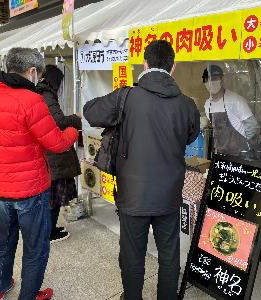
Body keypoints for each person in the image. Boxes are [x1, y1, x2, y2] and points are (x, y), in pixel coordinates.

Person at [84, 40, 200, 300]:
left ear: (144, 64)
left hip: (132, 194)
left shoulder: (126, 96)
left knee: (132, 254)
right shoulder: (187, 104)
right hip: (169, 194)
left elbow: (90, 112)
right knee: (169, 256)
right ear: (173, 67)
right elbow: (191, 135)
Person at [0, 48, 79, 300]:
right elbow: (56, 143)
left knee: (2, 241)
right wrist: (74, 130)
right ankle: (30, 295)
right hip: (30, 190)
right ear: (32, 72)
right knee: (35, 248)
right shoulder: (30, 100)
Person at [37, 65, 82, 243]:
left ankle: (48, 230)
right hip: (53, 152)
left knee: (50, 196)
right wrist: (76, 117)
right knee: (53, 197)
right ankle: (49, 233)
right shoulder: (47, 95)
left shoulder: (39, 92)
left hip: (46, 151)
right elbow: (59, 121)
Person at [203, 65, 259, 157]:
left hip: (240, 154)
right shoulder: (207, 104)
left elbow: (253, 125)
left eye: (215, 79)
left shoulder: (235, 100)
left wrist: (241, 142)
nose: (211, 82)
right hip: (221, 153)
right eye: (208, 80)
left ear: (222, 80)